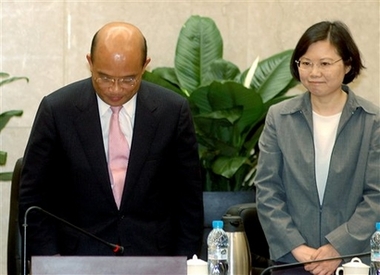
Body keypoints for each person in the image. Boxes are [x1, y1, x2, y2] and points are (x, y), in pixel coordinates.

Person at [19, 22, 204, 259]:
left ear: (145, 66)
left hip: (153, 259)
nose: (115, 89)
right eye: (104, 78)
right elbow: (33, 198)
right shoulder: (58, 110)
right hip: (76, 261)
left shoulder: (172, 112)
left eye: (129, 79)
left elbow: (188, 199)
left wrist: (185, 263)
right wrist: (50, 262)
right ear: (90, 62)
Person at [254, 20, 379, 275]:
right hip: (293, 260)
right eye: (306, 63)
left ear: (348, 65)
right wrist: (297, 248)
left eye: (325, 63)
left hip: (355, 260)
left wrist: (338, 247)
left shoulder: (372, 121)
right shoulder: (279, 117)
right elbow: (267, 189)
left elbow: (376, 196)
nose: (314, 72)